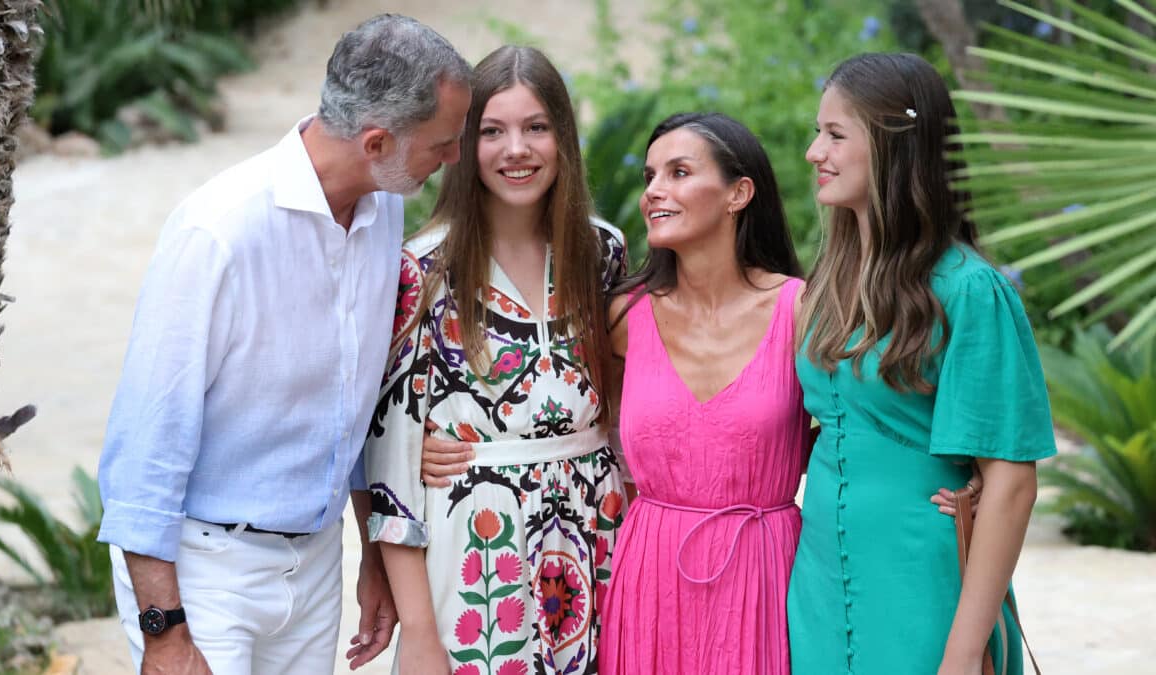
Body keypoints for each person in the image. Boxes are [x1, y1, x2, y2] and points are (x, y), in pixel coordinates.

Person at [96, 15, 471, 674]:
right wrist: (164, 631)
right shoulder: (217, 233)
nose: (455, 158)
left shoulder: (383, 207)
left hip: (316, 563)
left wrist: (372, 559)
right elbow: (143, 448)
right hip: (205, 569)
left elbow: (352, 408)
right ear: (378, 141)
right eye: (443, 142)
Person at [787, 52, 1056, 675]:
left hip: (924, 581)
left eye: (834, 134)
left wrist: (964, 653)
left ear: (891, 147)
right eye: (815, 132)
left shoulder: (970, 289)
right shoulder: (829, 279)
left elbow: (1012, 481)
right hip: (822, 580)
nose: (812, 152)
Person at [363, 46, 627, 675]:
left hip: (598, 545)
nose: (517, 149)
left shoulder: (602, 251)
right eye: (492, 131)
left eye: (536, 127)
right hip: (478, 558)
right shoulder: (422, 272)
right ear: (462, 144)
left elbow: (624, 409)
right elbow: (392, 473)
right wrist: (421, 638)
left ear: (562, 137)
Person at [594, 113, 807, 674]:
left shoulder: (801, 311)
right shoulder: (625, 315)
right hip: (650, 573)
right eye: (650, 176)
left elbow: (854, 430)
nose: (654, 191)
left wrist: (959, 479)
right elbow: (573, 426)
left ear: (739, 193)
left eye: (679, 172)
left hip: (765, 567)